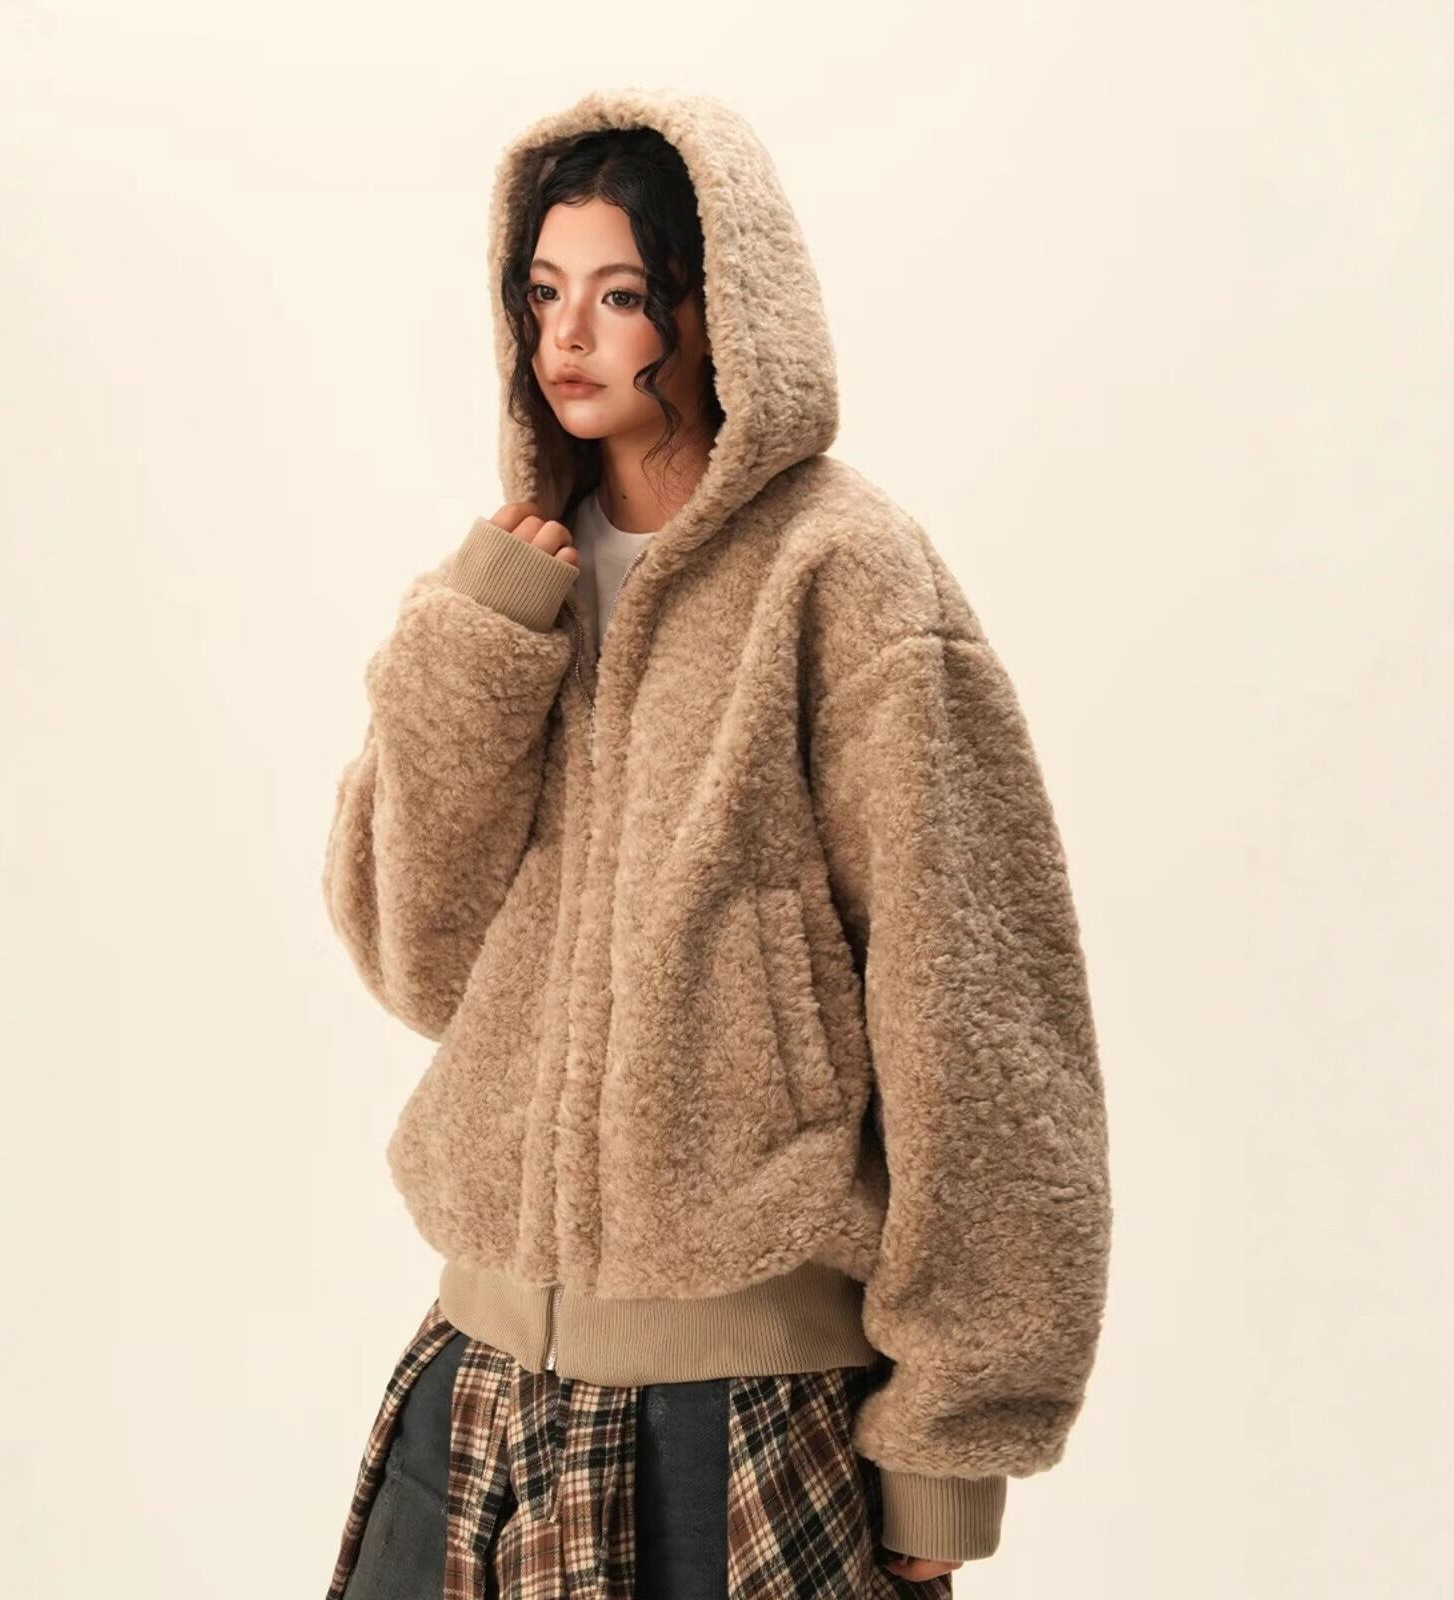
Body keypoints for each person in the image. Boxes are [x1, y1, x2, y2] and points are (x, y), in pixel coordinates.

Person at [320, 87, 1112, 1599]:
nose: (567, 338)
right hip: (478, 1375)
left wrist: (949, 1444)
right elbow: (411, 957)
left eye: (620, 296)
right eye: (542, 294)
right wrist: (473, 646)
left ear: (718, 308)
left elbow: (978, 1017)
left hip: (742, 1404)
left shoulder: (845, 575)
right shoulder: (514, 585)